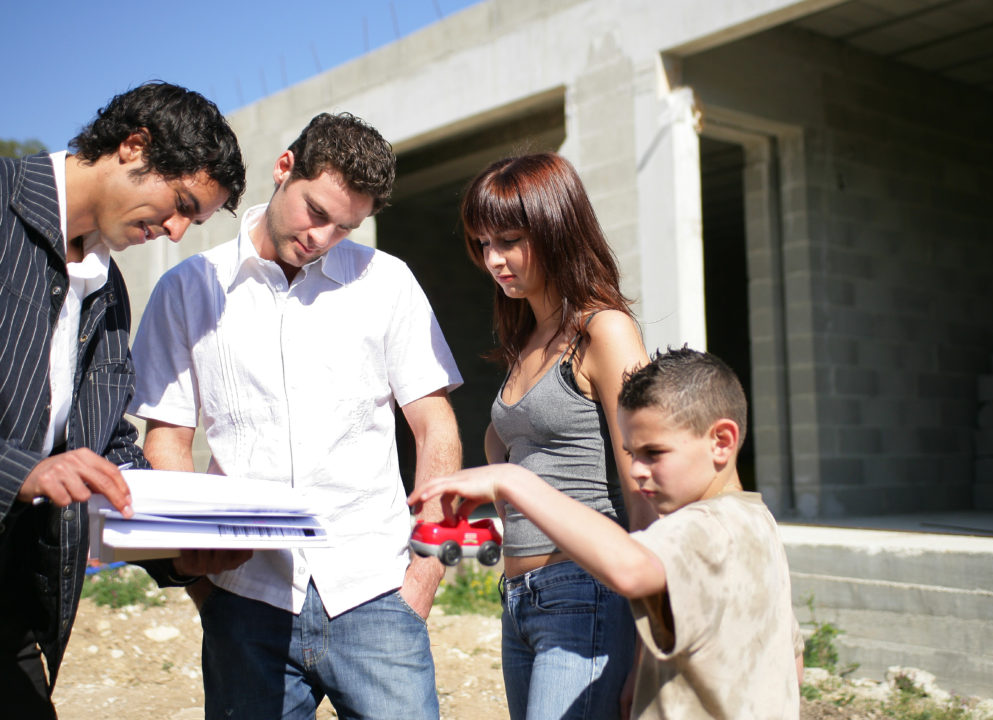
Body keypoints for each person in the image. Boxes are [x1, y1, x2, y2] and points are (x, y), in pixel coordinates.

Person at [130, 112, 462, 720]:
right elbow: (169, 439)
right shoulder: (187, 289)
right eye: (316, 211)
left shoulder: (387, 282)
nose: (323, 237)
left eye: (346, 227)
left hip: (376, 589)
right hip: (244, 598)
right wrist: (201, 583)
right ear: (285, 168)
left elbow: (434, 426)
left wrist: (425, 572)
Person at [0, 81, 246, 718]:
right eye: (180, 205)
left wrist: (179, 543)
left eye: (192, 222)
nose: (172, 232)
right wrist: (22, 472)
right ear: (134, 146)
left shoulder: (108, 293)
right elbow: (46, 469)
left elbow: (105, 447)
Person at [411, 347, 802, 719]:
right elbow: (791, 657)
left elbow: (631, 569)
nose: (636, 471)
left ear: (722, 441)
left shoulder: (703, 526)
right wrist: (643, 668)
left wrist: (514, 482)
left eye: (654, 453)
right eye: (631, 454)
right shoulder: (756, 522)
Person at [458, 152, 652, 719]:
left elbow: (642, 489)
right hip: (518, 599)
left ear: (557, 228)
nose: (494, 259)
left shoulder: (605, 329)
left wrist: (648, 637)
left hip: (585, 591)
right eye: (481, 244)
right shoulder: (529, 337)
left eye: (510, 240)